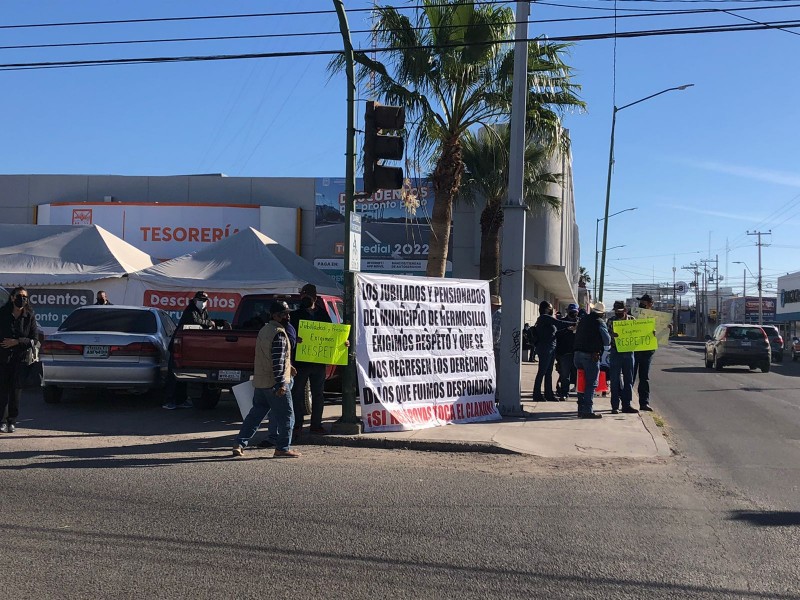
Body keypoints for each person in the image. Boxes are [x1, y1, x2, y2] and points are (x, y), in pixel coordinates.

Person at [233, 300, 300, 458]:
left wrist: (289, 367)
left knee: (255, 415)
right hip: (274, 383)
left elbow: (268, 356)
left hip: (261, 382)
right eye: (284, 314)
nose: (288, 316)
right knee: (287, 416)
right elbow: (277, 360)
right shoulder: (279, 333)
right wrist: (281, 383)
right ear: (276, 316)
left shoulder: (264, 329)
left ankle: (239, 443)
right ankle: (282, 448)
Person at [163, 291, 217, 410]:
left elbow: (208, 322)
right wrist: (209, 323)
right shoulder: (190, 310)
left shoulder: (204, 311)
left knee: (184, 377)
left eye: (204, 301)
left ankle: (181, 400)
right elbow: (195, 321)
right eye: (200, 300)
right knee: (173, 375)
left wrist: (212, 323)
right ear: (194, 300)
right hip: (178, 347)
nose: (202, 303)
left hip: (190, 348)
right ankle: (169, 400)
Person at [290, 283, 332, 436]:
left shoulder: (323, 315)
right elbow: (288, 337)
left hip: (318, 362)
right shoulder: (294, 315)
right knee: (298, 393)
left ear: (314, 297)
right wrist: (296, 340)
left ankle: (316, 425)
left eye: (307, 296)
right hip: (301, 362)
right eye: (302, 295)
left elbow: (331, 335)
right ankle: (297, 424)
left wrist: (343, 342)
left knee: (318, 394)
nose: (303, 298)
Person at [0, 287, 40, 433]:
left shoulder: (29, 316)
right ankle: (2, 421)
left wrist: (17, 342)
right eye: (19, 296)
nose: (22, 299)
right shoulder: (3, 314)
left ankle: (12, 420)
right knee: (3, 391)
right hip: (3, 358)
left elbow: (34, 339)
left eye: (25, 297)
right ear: (12, 297)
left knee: (15, 391)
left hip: (20, 359)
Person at [572, 301, 610, 419]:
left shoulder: (583, 320)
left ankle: (580, 409)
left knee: (581, 382)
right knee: (591, 383)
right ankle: (587, 410)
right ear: (602, 313)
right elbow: (607, 340)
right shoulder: (599, 322)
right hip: (590, 355)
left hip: (577, 354)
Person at [532, 300, 569, 402]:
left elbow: (557, 328)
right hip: (545, 348)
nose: (552, 309)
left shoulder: (547, 319)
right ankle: (537, 394)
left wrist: (569, 327)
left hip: (550, 347)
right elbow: (560, 323)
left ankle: (549, 394)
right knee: (542, 371)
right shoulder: (545, 317)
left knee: (548, 372)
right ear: (545, 309)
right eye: (550, 307)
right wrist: (574, 322)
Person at [607, 300, 638, 415]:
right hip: (616, 352)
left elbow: (638, 334)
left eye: (619, 311)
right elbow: (606, 336)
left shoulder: (632, 320)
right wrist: (612, 335)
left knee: (628, 380)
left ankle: (627, 405)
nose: (617, 313)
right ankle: (615, 406)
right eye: (616, 311)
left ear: (625, 310)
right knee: (614, 380)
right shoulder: (611, 321)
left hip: (629, 353)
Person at [633, 294, 656, 411]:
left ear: (650, 304)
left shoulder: (656, 317)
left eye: (644, 302)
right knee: (630, 377)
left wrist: (667, 329)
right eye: (640, 302)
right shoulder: (634, 315)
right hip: (634, 349)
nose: (641, 304)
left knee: (644, 378)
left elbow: (661, 335)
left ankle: (644, 403)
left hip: (647, 351)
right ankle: (627, 402)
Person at [555, 303, 579, 401]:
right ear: (567, 312)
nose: (573, 314)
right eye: (571, 312)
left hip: (578, 352)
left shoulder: (580, 323)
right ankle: (564, 393)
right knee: (565, 374)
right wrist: (567, 330)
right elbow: (557, 335)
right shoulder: (562, 322)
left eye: (575, 312)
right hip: (565, 352)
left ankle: (580, 393)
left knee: (579, 374)